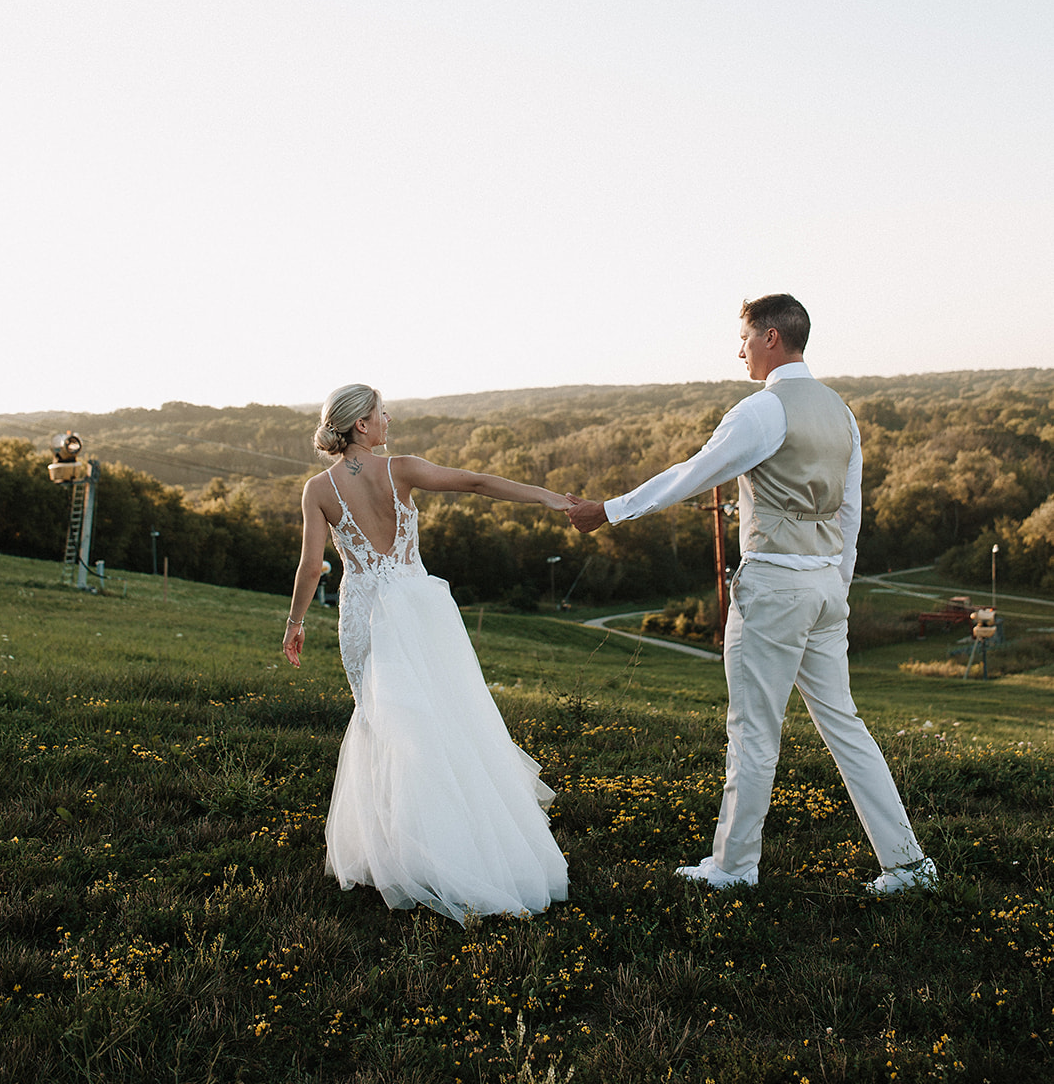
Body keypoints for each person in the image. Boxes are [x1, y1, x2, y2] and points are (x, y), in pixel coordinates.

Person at [566, 295, 937, 897]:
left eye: (742, 338)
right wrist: (835, 583)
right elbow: (850, 513)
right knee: (846, 726)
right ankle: (909, 865)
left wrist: (609, 510)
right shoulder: (842, 413)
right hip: (824, 589)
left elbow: (694, 473)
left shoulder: (763, 412)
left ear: (770, 337)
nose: (737, 350)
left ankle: (734, 867)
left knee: (754, 732)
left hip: (775, 589)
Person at [283, 383, 570, 923]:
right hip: (418, 605)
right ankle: (442, 840)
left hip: (363, 613)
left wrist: (296, 623)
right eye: (380, 412)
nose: (387, 418)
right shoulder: (402, 470)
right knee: (445, 716)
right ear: (361, 427)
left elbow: (309, 566)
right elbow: (479, 483)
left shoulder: (317, 489)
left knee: (385, 724)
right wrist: (547, 497)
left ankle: (401, 847)